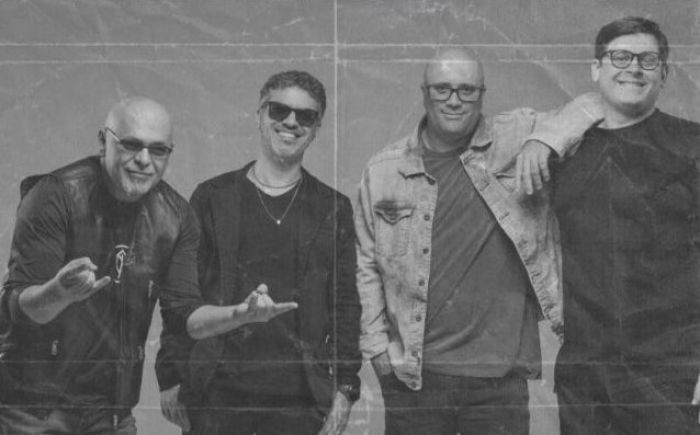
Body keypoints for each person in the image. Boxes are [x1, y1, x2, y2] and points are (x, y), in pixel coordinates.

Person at [354, 48, 603, 435]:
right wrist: (376, 348)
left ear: (482, 94)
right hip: (414, 376)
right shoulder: (385, 169)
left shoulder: (516, 136)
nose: (454, 100)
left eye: (467, 90)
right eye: (442, 89)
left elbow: (596, 104)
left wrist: (544, 142)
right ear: (424, 93)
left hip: (498, 380)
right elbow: (365, 263)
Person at [0, 97, 259, 434]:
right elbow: (21, 308)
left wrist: (238, 314)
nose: (144, 160)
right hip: (30, 410)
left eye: (158, 150)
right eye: (131, 144)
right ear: (103, 142)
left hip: (111, 415)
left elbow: (184, 317)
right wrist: (59, 292)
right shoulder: (54, 195)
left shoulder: (176, 217)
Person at [157, 70, 362, 435]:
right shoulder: (212, 197)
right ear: (259, 115)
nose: (291, 122)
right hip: (215, 396)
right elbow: (181, 293)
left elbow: (345, 305)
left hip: (301, 403)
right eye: (279, 110)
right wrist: (169, 373)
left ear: (317, 129)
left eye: (306, 116)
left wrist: (346, 388)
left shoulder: (333, 207)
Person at [533, 16, 700, 435]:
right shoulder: (564, 151)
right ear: (596, 69)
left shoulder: (692, 144)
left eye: (648, 60)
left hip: (667, 372)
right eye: (621, 57)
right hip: (584, 374)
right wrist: (543, 137)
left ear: (664, 73)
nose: (634, 68)